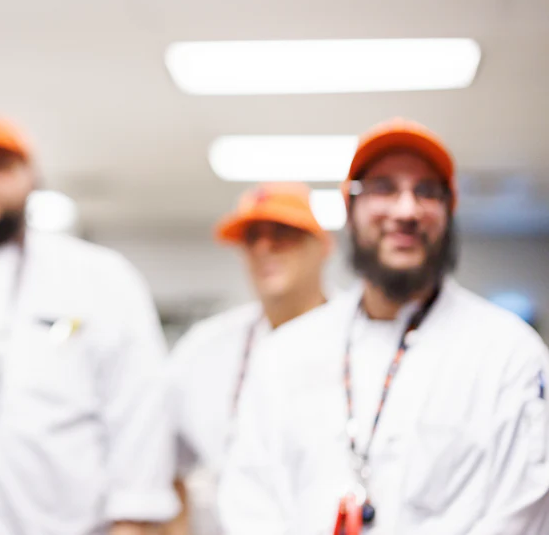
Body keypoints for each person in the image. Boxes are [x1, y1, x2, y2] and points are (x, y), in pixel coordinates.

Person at [218, 118, 549, 534]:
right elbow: (250, 501)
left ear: (450, 210)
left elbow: (521, 513)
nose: (406, 210)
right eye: (383, 188)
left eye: (427, 191)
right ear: (348, 208)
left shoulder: (508, 352)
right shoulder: (285, 353)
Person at [0, 117, 178, 535]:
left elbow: (139, 409)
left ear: (32, 179)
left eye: (0, 165)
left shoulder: (98, 277)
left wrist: (132, 517)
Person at [164, 183, 330, 535]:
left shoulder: (361, 341)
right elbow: (159, 459)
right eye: (251, 238)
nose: (264, 248)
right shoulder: (205, 347)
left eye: (282, 234)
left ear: (322, 245)